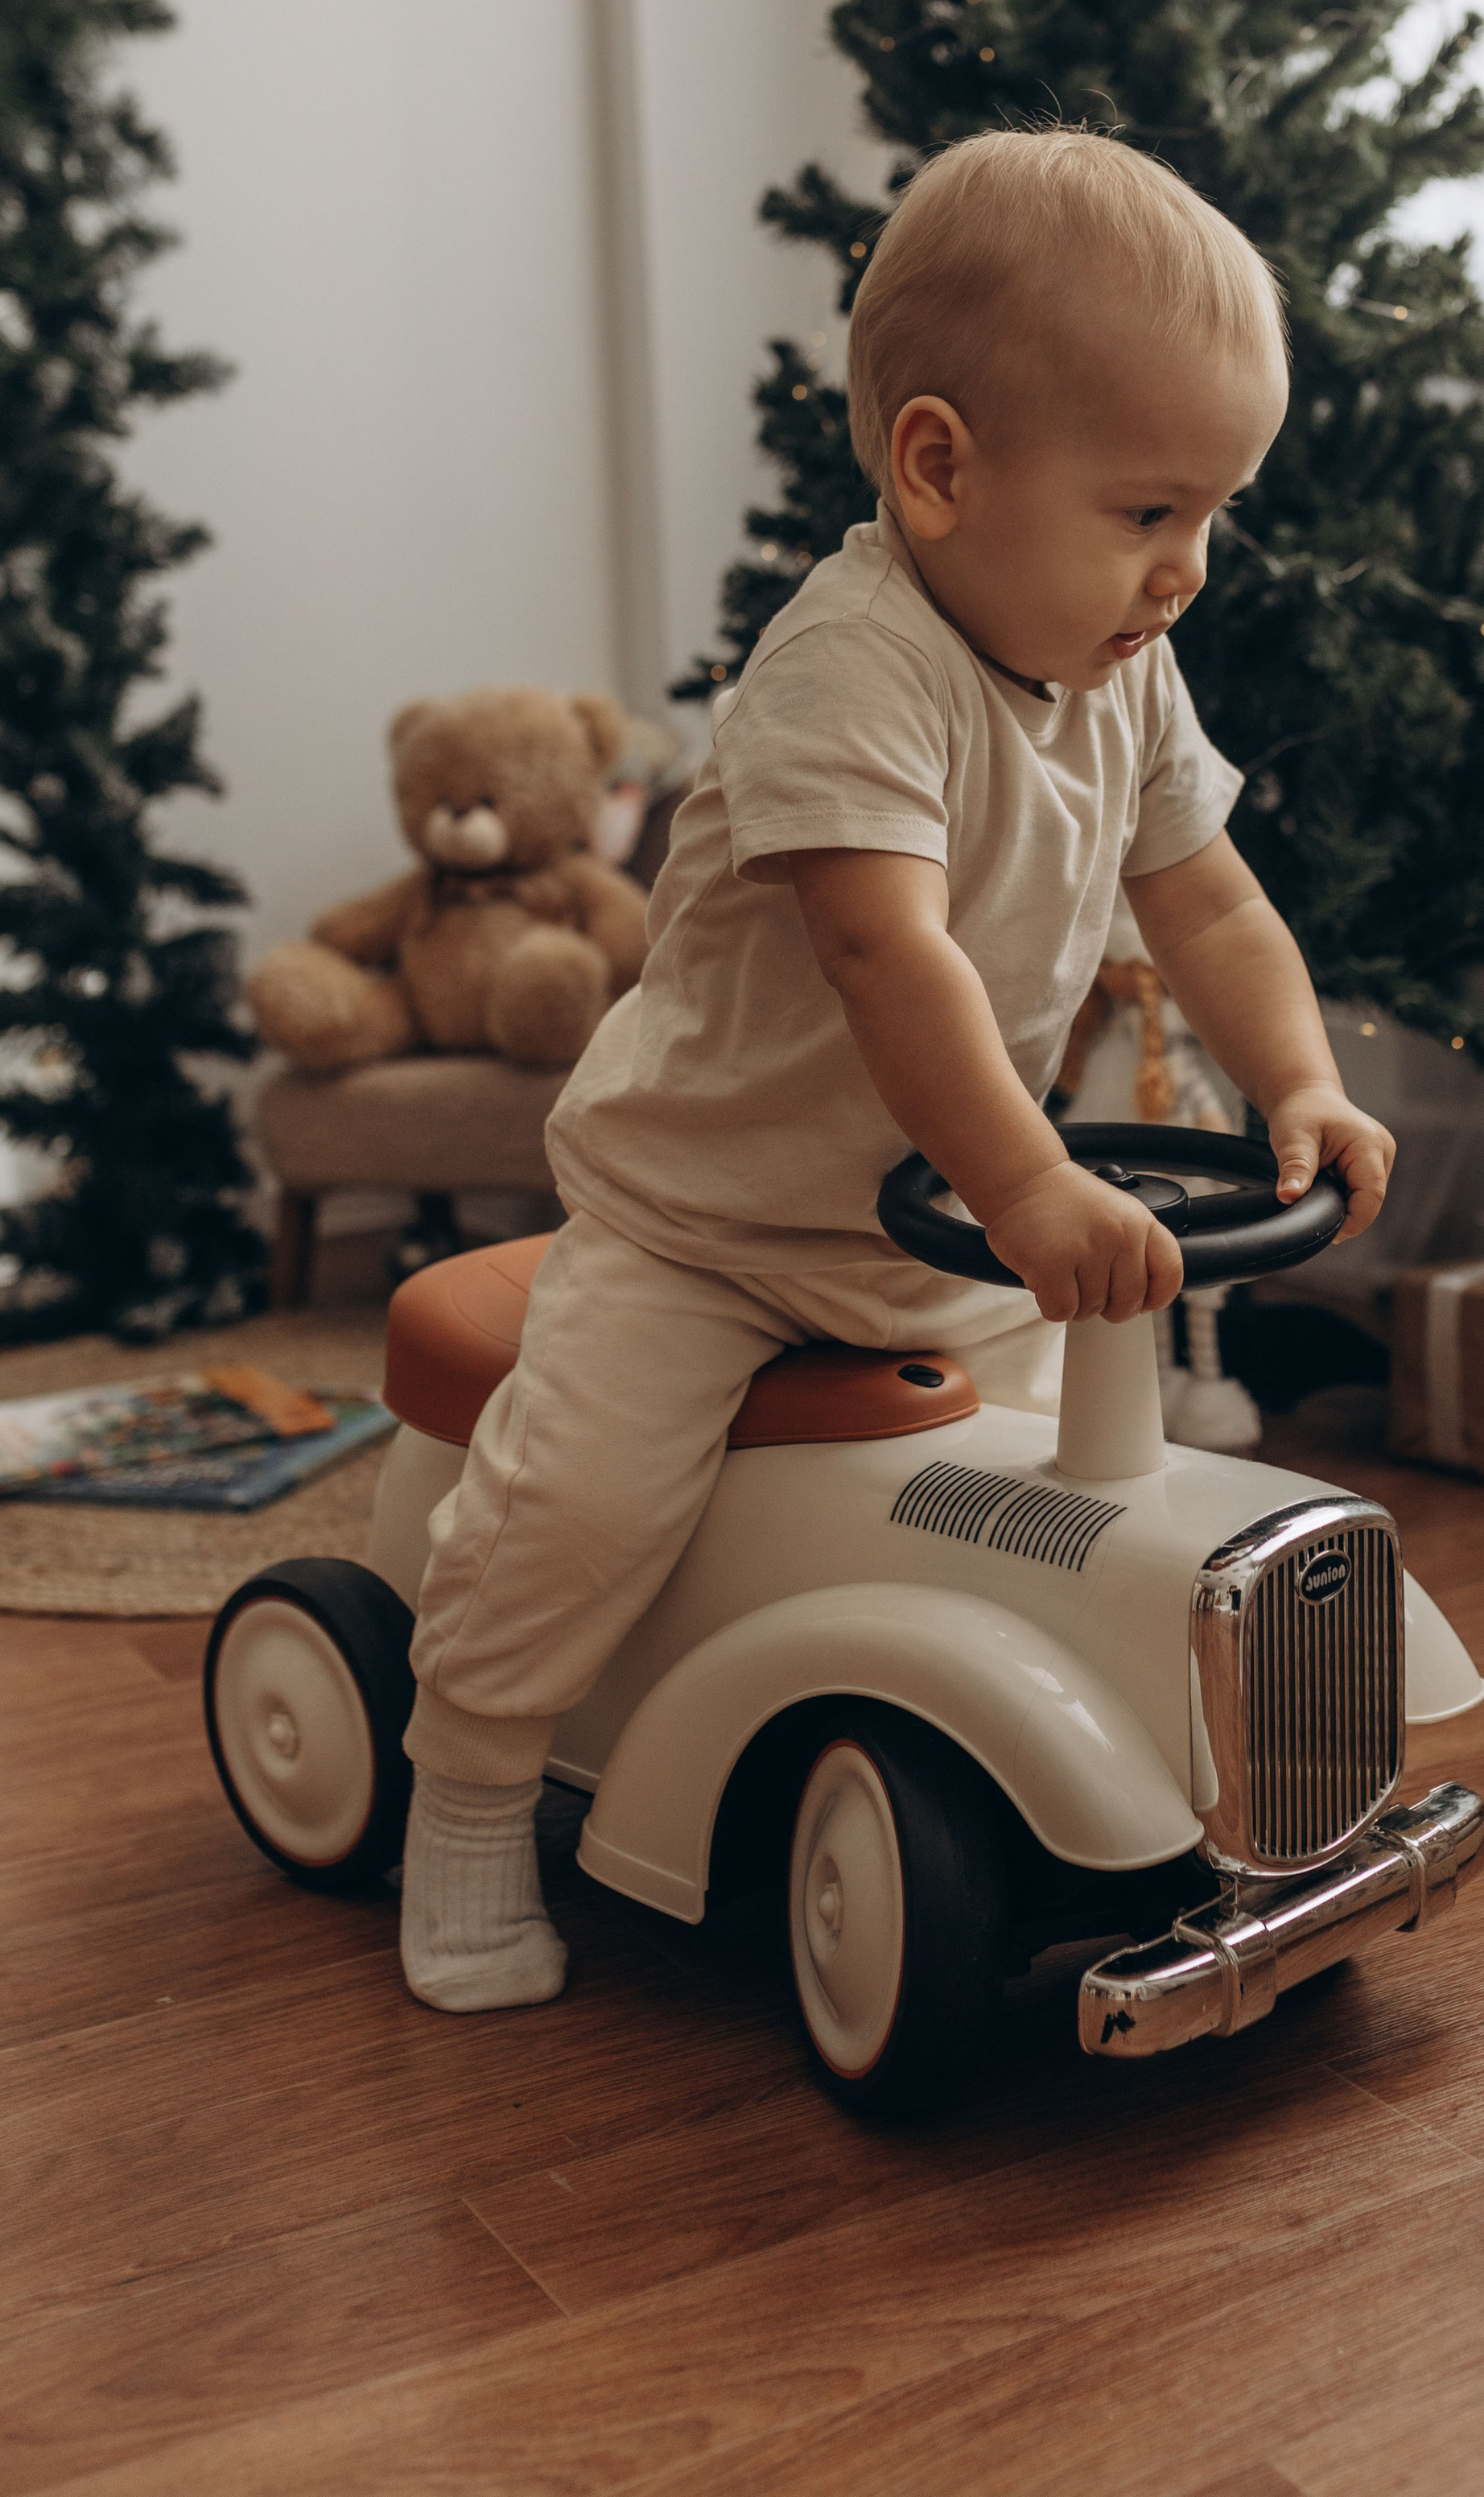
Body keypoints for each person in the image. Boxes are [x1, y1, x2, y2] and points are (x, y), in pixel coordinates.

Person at [398, 126, 1397, 2009]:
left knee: (1080, 1499)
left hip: (919, 1229)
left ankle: (1169, 1785)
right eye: (1142, 512)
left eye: (1211, 519)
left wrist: (1302, 1084)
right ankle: (464, 1779)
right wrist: (1027, 1191)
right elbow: (889, 956)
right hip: (706, 1221)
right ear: (938, 469)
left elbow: (1213, 907)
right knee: (584, 1500)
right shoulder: (846, 670)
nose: (1183, 571)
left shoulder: (1122, 670)